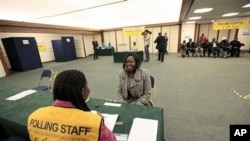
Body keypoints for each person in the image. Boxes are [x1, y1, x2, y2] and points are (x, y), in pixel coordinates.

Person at [27, 69, 116, 141]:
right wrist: (100, 122)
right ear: (82, 91)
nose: (89, 89)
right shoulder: (94, 123)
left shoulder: (34, 116)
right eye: (87, 86)